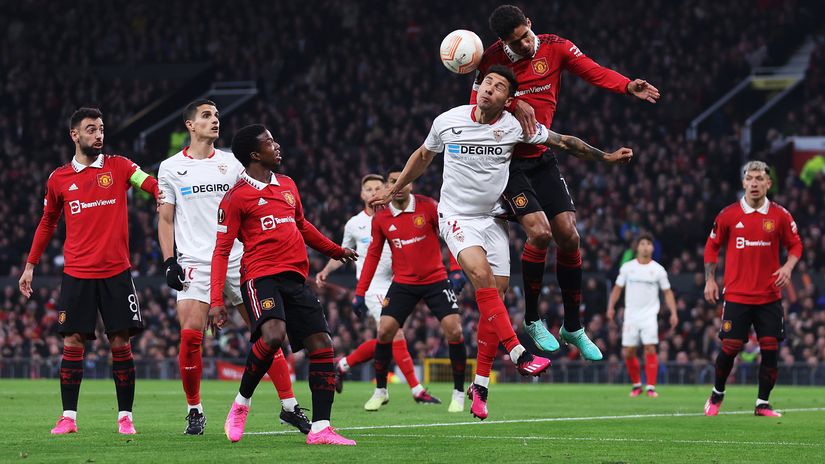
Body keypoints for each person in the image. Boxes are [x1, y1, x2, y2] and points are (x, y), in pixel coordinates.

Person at [373, 65, 632, 420]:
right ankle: (518, 352)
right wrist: (396, 186)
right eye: (486, 83)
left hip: (493, 219)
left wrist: (605, 156)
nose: (488, 90)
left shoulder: (514, 128)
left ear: (509, 100)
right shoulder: (448, 120)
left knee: (494, 297)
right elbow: (423, 155)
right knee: (480, 276)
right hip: (457, 217)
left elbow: (564, 142)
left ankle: (479, 386)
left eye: (498, 87)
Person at [472, 4, 660, 358]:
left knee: (569, 236)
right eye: (517, 42)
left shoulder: (555, 46)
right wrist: (513, 104)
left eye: (527, 35)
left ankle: (573, 326)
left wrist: (626, 85)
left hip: (542, 155)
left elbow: (593, 71)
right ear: (503, 41)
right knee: (540, 233)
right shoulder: (491, 61)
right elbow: (478, 109)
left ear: (530, 24)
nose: (527, 45)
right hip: (507, 163)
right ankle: (531, 319)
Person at [157, 99, 309, 435]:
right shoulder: (169, 168)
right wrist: (169, 260)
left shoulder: (232, 164)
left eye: (217, 116)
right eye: (207, 116)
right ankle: (194, 410)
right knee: (190, 335)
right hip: (195, 259)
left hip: (239, 259)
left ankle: (290, 405)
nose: (215, 121)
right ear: (190, 125)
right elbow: (165, 219)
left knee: (268, 333)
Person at [209, 124, 358, 445]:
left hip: (296, 278)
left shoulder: (288, 185)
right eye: (269, 142)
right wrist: (216, 300)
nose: (277, 146)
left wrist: (336, 250)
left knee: (322, 345)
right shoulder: (236, 197)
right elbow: (221, 250)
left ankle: (320, 429)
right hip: (260, 277)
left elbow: (303, 226)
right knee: (273, 335)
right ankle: (241, 404)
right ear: (254, 154)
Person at [19, 107, 161, 435]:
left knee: (120, 342)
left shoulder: (120, 166)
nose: (99, 135)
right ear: (75, 135)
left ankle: (125, 417)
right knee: (72, 341)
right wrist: (30, 266)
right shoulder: (58, 179)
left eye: (101, 129)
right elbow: (47, 222)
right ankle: (68, 417)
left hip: (115, 272)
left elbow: (147, 181)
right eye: (91, 129)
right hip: (77, 273)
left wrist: (159, 192)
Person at [316, 174, 441, 406]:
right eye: (369, 189)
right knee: (396, 334)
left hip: (399, 283)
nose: (374, 192)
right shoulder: (354, 224)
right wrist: (326, 270)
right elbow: (343, 253)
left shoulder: (394, 216)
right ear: (362, 195)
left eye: (378, 188)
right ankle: (416, 389)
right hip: (373, 286)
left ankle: (343, 365)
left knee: (386, 337)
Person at [356, 166, 466, 413]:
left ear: (411, 184)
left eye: (403, 181)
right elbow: (373, 255)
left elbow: (450, 235)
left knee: (454, 330)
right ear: (388, 187)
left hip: (435, 279)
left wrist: (456, 269)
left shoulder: (429, 206)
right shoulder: (382, 217)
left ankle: (458, 392)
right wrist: (359, 293)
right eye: (393, 181)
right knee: (384, 331)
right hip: (403, 283)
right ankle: (381, 391)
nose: (398, 185)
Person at [703, 161, 802, 418]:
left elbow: (796, 246)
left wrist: (788, 267)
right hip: (737, 295)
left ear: (768, 183)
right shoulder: (728, 215)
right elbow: (711, 247)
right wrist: (710, 279)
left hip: (769, 296)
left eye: (760, 178)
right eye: (750, 178)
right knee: (730, 347)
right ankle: (718, 392)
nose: (755, 183)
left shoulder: (780, 215)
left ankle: (762, 404)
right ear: (744, 182)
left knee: (770, 350)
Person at [607, 234, 678, 398]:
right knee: (629, 352)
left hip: (649, 316)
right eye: (642, 244)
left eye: (648, 244)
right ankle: (637, 384)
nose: (645, 247)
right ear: (637, 247)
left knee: (650, 348)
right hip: (631, 315)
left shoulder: (658, 270)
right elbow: (617, 289)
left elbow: (667, 292)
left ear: (652, 248)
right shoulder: (627, 267)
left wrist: (674, 312)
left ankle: (651, 387)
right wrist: (611, 306)